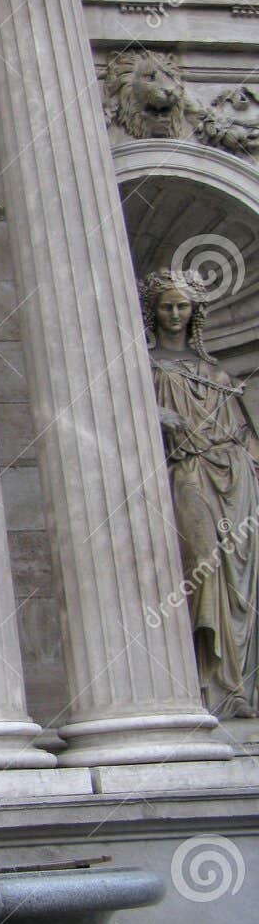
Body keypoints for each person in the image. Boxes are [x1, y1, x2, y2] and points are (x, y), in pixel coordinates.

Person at [142, 268, 259, 718]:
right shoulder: (147, 367)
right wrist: (156, 415)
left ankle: (235, 687)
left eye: (182, 306)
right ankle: (206, 681)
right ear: (153, 311)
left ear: (195, 312)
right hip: (188, 474)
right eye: (167, 307)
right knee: (203, 565)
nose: (175, 314)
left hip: (236, 478)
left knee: (239, 578)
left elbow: (245, 435)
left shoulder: (216, 373)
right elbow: (124, 413)